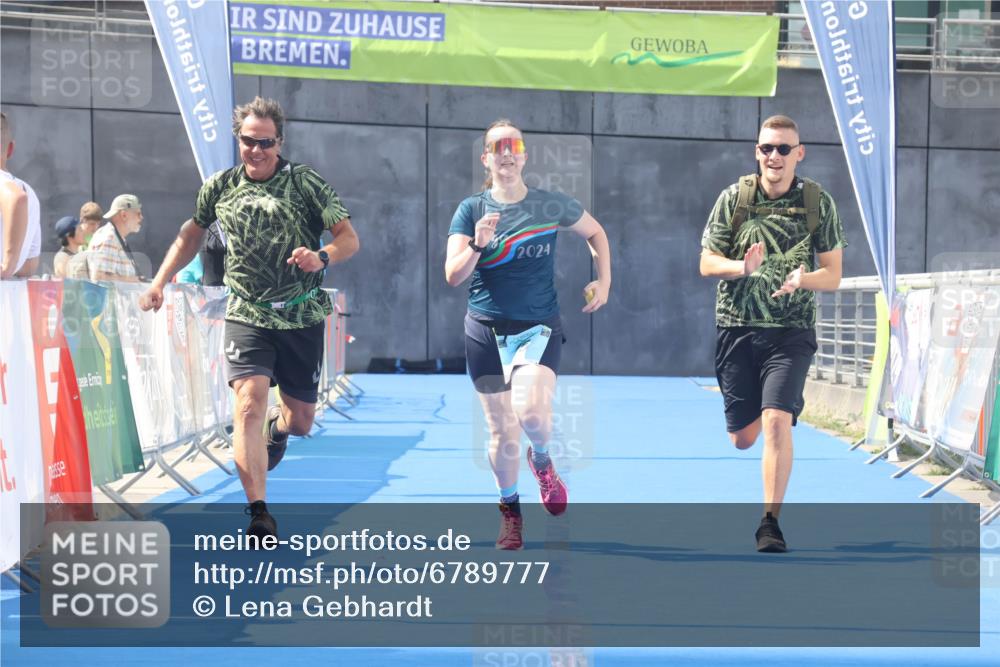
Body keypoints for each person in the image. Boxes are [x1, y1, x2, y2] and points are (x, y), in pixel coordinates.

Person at [138, 96, 359, 540]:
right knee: (247, 403)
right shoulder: (219, 186)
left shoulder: (305, 183)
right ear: (237, 139)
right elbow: (189, 236)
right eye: (247, 141)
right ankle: (259, 511)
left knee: (300, 422)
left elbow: (348, 238)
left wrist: (321, 256)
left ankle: (279, 427)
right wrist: (160, 280)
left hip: (300, 316)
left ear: (279, 143)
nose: (255, 151)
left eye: (265, 142)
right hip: (247, 312)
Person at [445, 119, 611, 550]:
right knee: (500, 434)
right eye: (496, 147)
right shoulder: (470, 210)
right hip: (484, 331)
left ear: (523, 155)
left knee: (532, 415)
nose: (505, 153)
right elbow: (452, 275)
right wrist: (478, 245)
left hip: (537, 326)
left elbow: (596, 233)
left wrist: (603, 281)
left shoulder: (549, 204)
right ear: (486, 158)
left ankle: (541, 460)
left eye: (513, 145)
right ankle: (510, 512)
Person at [699, 114, 847, 553]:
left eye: (784, 148)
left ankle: (770, 523)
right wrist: (741, 268)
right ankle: (762, 418)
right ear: (756, 152)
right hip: (737, 329)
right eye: (767, 148)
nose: (775, 156)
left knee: (777, 421)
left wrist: (803, 280)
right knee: (743, 438)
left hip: (791, 331)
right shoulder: (735, 198)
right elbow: (707, 262)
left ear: (799, 153)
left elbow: (834, 275)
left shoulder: (818, 202)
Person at [0, 111, 41, 279]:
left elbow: (16, 198)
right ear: (10, 149)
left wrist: (6, 266)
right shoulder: (30, 192)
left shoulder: (16, 190)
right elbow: (30, 265)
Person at [87, 194, 144, 282]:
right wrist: (133, 280)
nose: (141, 217)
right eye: (138, 214)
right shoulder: (109, 238)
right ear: (124, 215)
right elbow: (99, 278)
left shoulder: (116, 238)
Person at [64, 202, 104, 279]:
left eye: (98, 224)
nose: (95, 227)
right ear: (83, 220)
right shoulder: (74, 237)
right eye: (92, 224)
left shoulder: (99, 238)